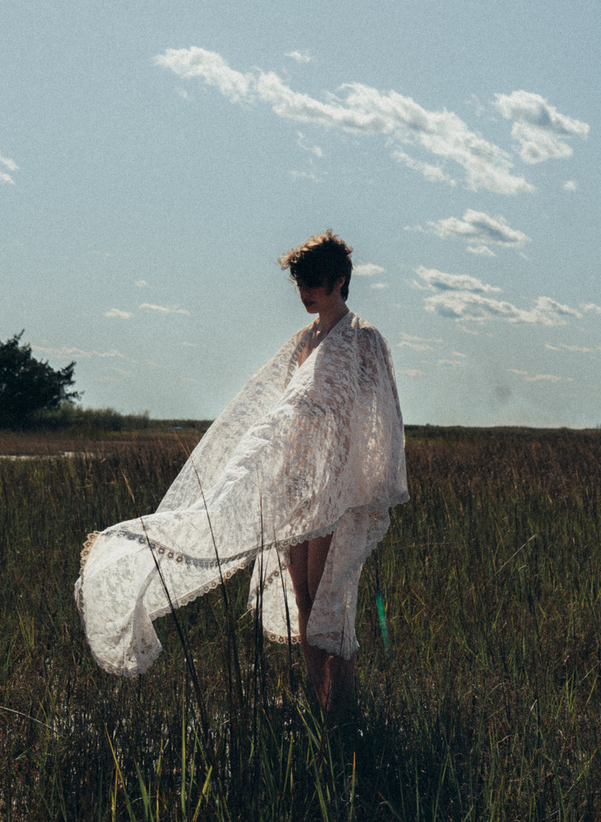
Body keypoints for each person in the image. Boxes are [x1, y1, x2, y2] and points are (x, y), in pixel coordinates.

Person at [75, 230, 408, 710]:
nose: (304, 290)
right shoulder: (304, 341)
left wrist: (363, 485)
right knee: (304, 600)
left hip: (337, 490)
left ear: (339, 280)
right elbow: (276, 413)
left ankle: (344, 709)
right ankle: (321, 702)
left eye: (313, 280)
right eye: (299, 281)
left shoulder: (364, 339)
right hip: (293, 485)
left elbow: (379, 417)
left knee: (328, 599)